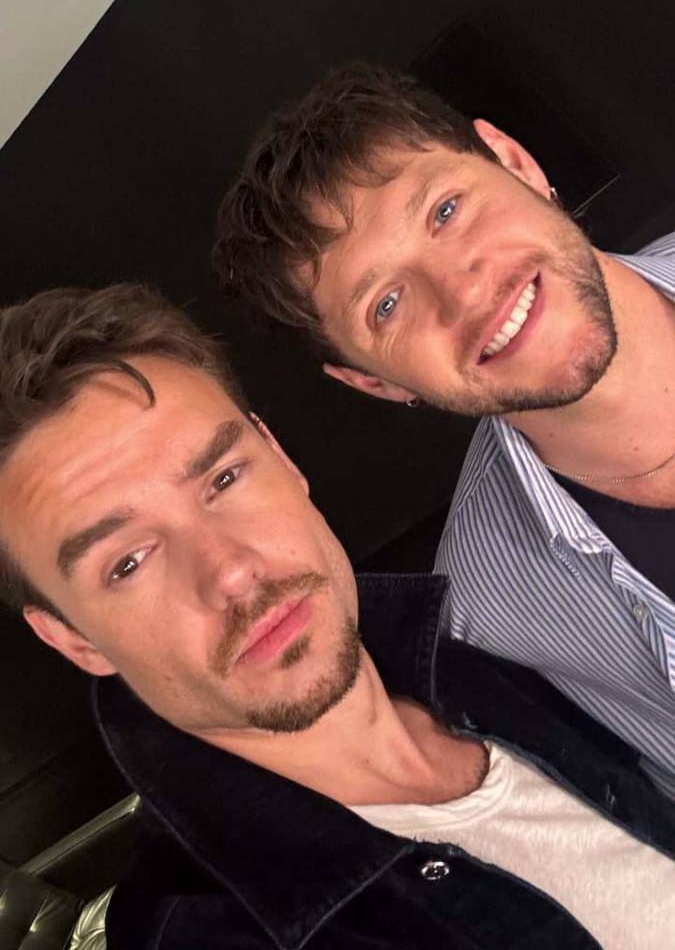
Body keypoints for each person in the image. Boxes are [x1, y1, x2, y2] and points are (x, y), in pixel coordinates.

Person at [1, 285, 674, 948]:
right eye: (128, 563)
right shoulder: (204, 935)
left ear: (281, 459)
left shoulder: (489, 643)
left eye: (224, 479)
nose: (230, 571)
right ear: (74, 639)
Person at [214, 60, 675, 799]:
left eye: (446, 211)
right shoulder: (483, 602)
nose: (462, 293)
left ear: (516, 163)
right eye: (386, 305)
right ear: (375, 382)